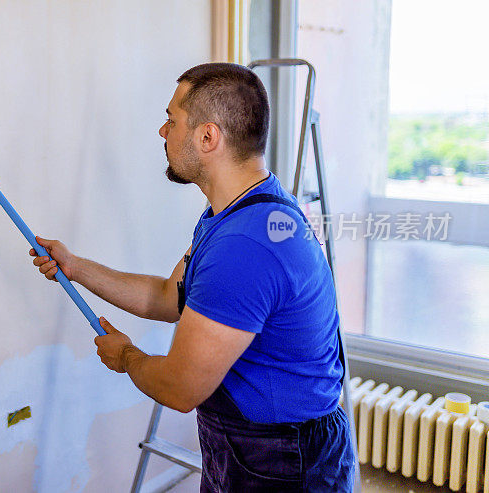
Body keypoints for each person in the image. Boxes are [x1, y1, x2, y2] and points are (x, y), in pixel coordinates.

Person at [29, 63, 356, 492]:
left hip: (283, 460)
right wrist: (77, 267)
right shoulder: (237, 210)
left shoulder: (246, 244)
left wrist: (126, 355)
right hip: (253, 443)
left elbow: (181, 390)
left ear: (207, 137)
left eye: (172, 120)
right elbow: (168, 296)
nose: (163, 132)